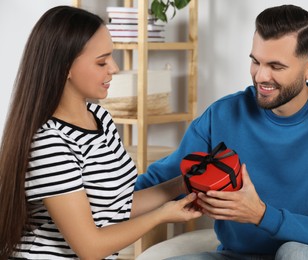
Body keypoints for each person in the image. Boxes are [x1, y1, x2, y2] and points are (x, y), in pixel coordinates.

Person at [135, 4, 308, 260]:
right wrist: (93, 201)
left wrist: (260, 214)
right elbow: (162, 181)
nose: (260, 76)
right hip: (234, 255)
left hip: (300, 256)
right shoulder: (223, 114)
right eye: (256, 61)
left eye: (276, 66)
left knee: (294, 252)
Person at [0, 6, 202, 260]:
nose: (114, 68)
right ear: (65, 67)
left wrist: (182, 184)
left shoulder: (101, 119)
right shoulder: (49, 143)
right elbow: (90, 248)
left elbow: (116, 207)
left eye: (112, 58)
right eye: (101, 62)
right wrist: (162, 215)